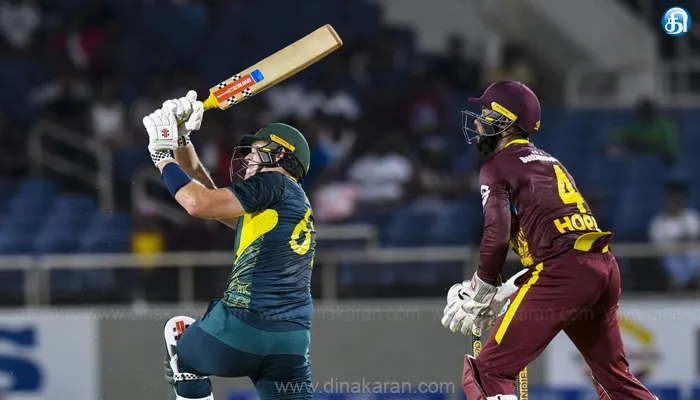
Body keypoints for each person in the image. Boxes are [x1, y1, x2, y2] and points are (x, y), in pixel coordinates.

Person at [440, 81, 658, 400]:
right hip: (603, 268)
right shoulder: (551, 161)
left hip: (564, 273)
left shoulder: (497, 166)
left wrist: (480, 289)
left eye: (486, 113)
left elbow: (497, 237)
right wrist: (508, 289)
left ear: (506, 121)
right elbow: (563, 245)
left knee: (489, 372)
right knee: (615, 380)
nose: (478, 121)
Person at [143, 91, 316, 400]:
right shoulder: (294, 203)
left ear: (278, 155)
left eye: (256, 150)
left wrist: (161, 155)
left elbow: (196, 203)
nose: (247, 157)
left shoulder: (272, 183)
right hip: (291, 343)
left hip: (242, 329)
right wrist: (182, 141)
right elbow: (209, 196)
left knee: (180, 339)